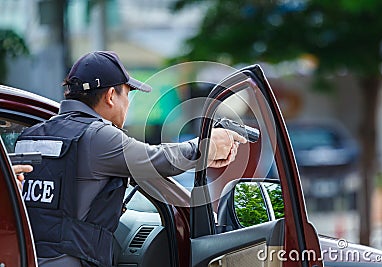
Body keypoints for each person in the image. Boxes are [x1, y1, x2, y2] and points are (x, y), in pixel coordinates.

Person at [14, 51, 246, 267]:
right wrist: (207, 145)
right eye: (128, 94)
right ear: (111, 95)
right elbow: (159, 160)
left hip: (26, 257)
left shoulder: (30, 134)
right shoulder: (98, 136)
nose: (129, 103)